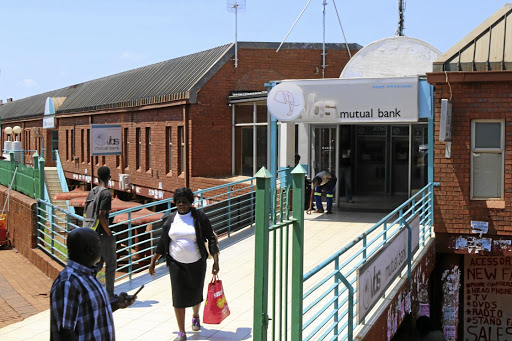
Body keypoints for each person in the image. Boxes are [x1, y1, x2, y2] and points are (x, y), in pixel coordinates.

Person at [148, 187, 220, 341]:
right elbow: (162, 241)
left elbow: (211, 238)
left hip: (197, 262)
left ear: (190, 202)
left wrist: (216, 261)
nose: (181, 204)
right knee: (178, 297)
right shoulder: (170, 219)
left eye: (184, 202)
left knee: (196, 293)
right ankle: (182, 332)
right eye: (178, 202)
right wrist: (153, 261)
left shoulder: (199, 217)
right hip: (176, 264)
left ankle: (195, 315)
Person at [50, 228, 136, 340]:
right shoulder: (68, 283)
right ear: (90, 250)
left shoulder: (89, 276)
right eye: (99, 244)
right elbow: (64, 332)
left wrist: (116, 304)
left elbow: (91, 312)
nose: (101, 248)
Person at [94, 166, 116, 299]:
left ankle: (88, 290)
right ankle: (109, 295)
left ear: (97, 178)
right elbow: (102, 215)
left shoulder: (93, 191)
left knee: (97, 264)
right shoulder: (106, 193)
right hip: (102, 234)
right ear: (109, 177)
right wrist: (109, 232)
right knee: (111, 264)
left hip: (92, 233)